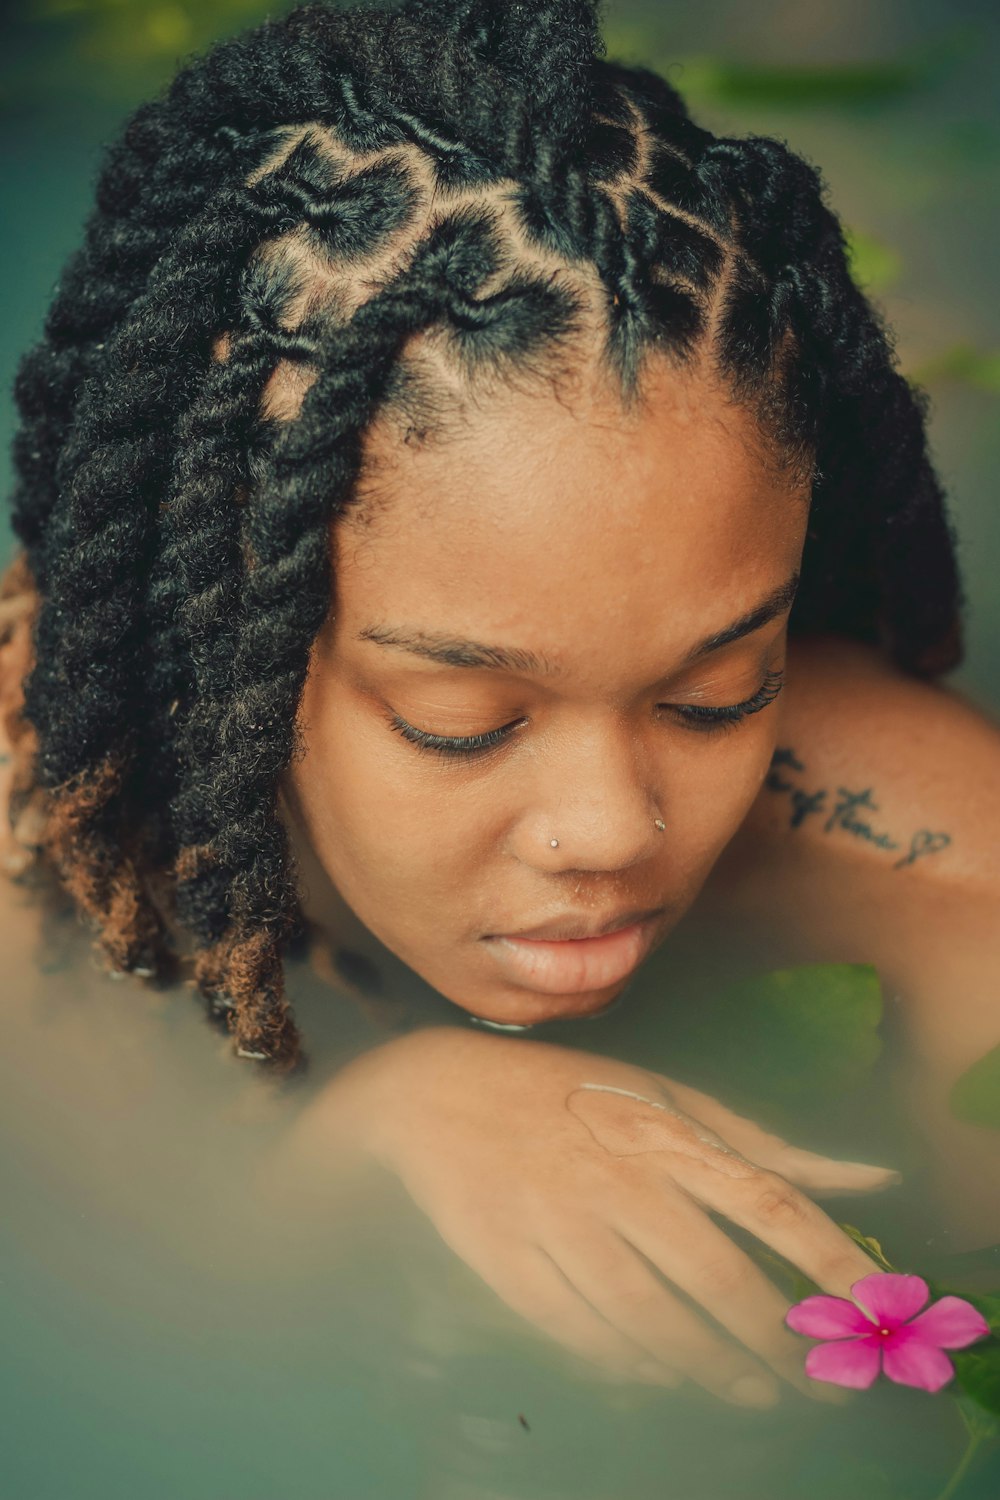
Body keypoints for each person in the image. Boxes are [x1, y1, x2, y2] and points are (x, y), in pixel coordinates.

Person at [1, 0, 997, 1410]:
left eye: (718, 692)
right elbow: (113, 1322)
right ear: (233, 637)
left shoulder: (931, 861)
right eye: (460, 720)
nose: (609, 831)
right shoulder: (40, 879)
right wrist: (367, 1132)